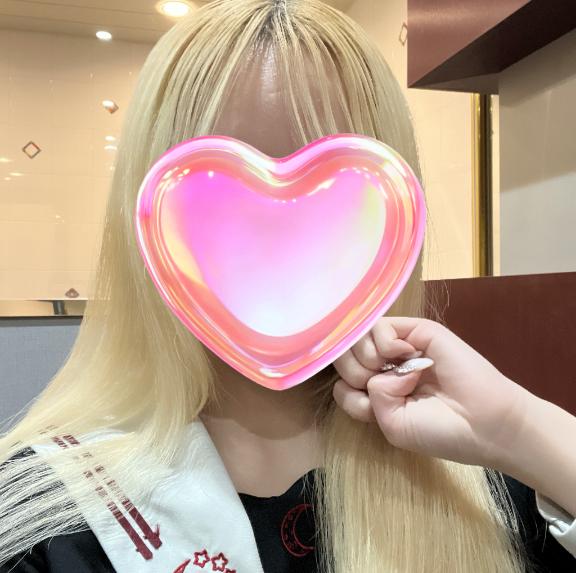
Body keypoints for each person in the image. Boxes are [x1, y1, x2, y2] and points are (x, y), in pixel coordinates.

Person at [0, 0, 574, 571]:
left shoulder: (485, 477)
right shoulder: (46, 519)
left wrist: (523, 430)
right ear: (149, 215)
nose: (277, 241)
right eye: (217, 191)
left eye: (331, 195)